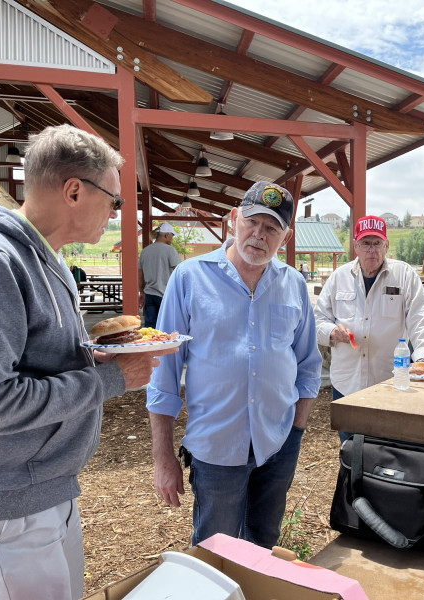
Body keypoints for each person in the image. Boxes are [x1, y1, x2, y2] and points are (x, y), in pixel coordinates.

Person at [0, 124, 175, 600]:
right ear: (74, 191)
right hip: (6, 497)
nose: (116, 214)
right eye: (114, 200)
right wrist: (112, 379)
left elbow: (35, 360)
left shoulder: (42, 259)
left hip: (38, 484)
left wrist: (94, 356)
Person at [147, 181, 321, 549]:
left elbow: (308, 365)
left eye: (271, 227)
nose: (259, 235)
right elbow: (163, 373)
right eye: (252, 222)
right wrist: (162, 457)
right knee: (216, 551)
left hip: (278, 443)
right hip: (217, 448)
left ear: (286, 237)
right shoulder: (190, 278)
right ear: (234, 218)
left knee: (263, 545)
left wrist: (296, 433)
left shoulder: (293, 284)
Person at [314, 215, 424, 442]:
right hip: (346, 384)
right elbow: (318, 319)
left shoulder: (405, 276)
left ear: (386, 246)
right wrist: (331, 332)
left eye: (377, 243)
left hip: (389, 381)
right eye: (365, 243)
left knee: (387, 448)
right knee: (349, 448)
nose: (371, 250)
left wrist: (423, 360)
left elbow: (421, 319)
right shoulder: (339, 278)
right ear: (355, 246)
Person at [139, 222, 181, 328]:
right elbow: (178, 272)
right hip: (165, 295)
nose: (172, 238)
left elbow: (140, 274)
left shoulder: (145, 251)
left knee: (150, 327)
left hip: (149, 294)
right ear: (167, 235)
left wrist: (142, 292)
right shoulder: (170, 250)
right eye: (172, 235)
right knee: (168, 326)